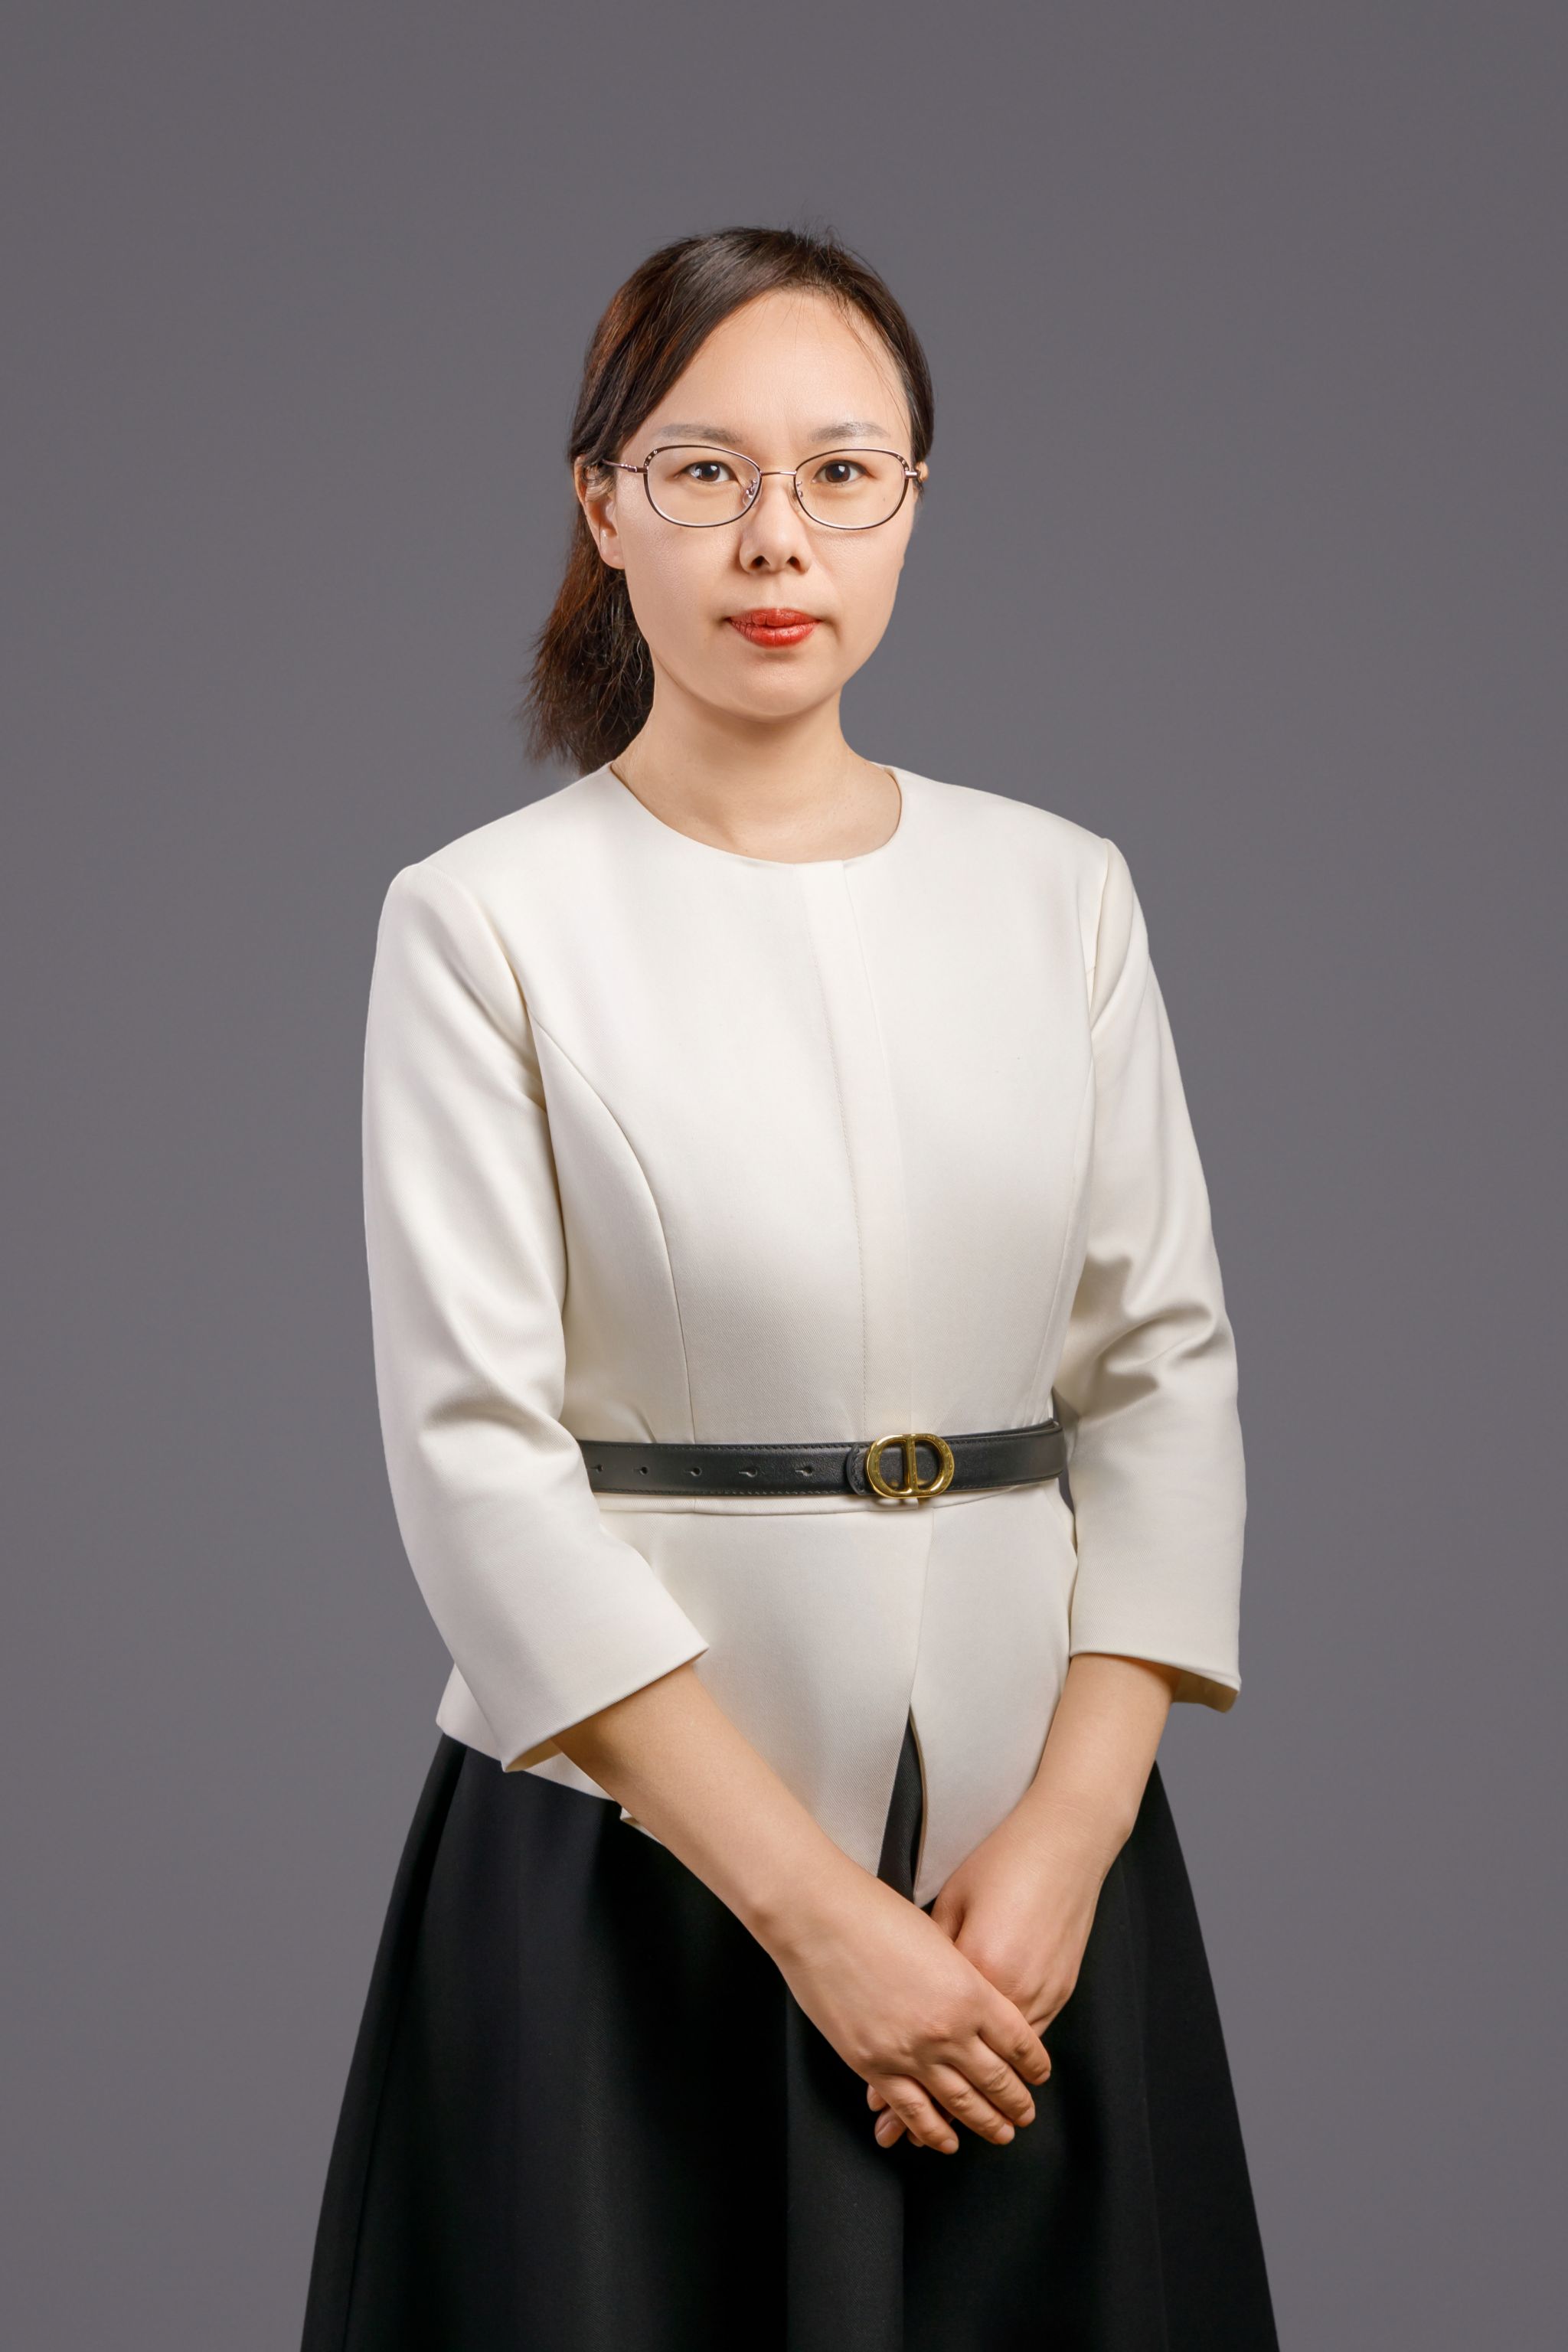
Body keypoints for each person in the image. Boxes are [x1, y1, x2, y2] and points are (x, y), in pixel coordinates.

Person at [299, 224, 1279, 2351]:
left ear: (913, 502)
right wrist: (815, 1916)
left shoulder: (1063, 893)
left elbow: (1161, 1376)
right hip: (634, 1867)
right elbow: (477, 1466)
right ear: (604, 505)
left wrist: (1074, 1831)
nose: (778, 537)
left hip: (1032, 1881)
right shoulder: (482, 922)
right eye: (704, 471)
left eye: (843, 472)